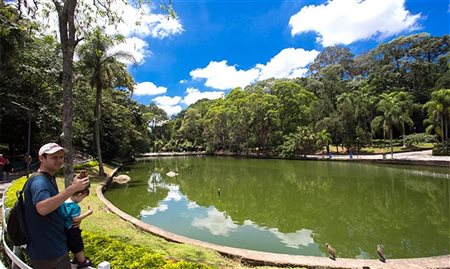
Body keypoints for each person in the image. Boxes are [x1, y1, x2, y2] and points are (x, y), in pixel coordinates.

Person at [23, 142, 90, 269]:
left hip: (52, 248)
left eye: (61, 157)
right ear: (41, 158)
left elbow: (54, 207)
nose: (59, 161)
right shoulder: (40, 182)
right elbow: (42, 208)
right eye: (54, 157)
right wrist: (71, 189)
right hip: (49, 252)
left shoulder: (49, 178)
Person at [59, 187, 93, 269]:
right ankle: (82, 262)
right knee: (78, 246)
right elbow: (75, 219)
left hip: (63, 229)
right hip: (73, 229)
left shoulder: (62, 202)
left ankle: (75, 259)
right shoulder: (74, 206)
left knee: (69, 245)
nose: (82, 199)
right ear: (79, 195)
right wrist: (88, 213)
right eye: (83, 197)